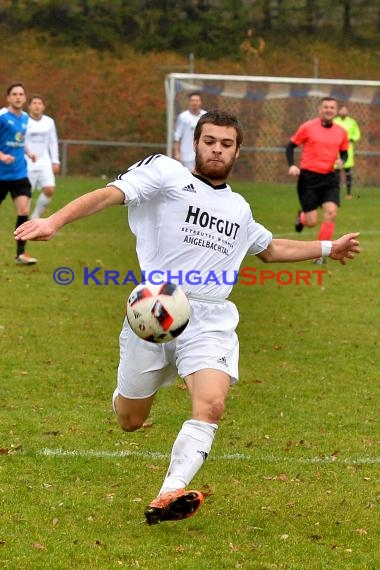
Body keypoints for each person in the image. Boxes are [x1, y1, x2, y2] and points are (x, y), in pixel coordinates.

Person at [14, 111, 360, 525]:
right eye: (209, 140)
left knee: (211, 405)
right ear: (195, 143)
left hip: (210, 317)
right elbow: (109, 194)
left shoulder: (238, 208)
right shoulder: (165, 173)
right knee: (130, 420)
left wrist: (327, 248)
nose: (217, 149)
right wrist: (55, 219)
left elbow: (269, 250)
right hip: (154, 308)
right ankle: (129, 396)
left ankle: (169, 492)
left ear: (237, 150)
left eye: (226, 143)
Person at [285, 97, 349, 264]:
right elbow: (291, 146)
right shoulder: (307, 127)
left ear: (336, 111)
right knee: (312, 222)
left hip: (330, 178)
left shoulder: (341, 131)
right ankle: (303, 217)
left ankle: (319, 255)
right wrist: (292, 165)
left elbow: (344, 152)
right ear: (320, 109)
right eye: (326, 107)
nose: (329, 110)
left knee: (331, 213)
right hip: (308, 178)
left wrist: (342, 160)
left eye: (332, 107)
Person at [0, 82, 37, 265]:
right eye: (14, 94)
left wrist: (28, 152)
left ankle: (21, 254)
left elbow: (21, 140)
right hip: (0, 174)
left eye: (21, 94)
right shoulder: (1, 116)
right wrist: (2, 155)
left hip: (19, 174)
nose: (18, 97)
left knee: (23, 210)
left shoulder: (25, 118)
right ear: (8, 98)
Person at [26, 94, 60, 218]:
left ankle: (35, 216)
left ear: (43, 107)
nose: (37, 106)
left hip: (44, 162)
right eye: (34, 103)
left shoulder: (49, 122)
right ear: (29, 106)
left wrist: (55, 161)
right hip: (27, 163)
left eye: (39, 103)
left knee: (49, 189)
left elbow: (53, 142)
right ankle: (23, 220)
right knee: (26, 194)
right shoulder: (24, 120)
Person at [173, 92, 207, 170]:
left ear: (200, 102)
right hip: (186, 154)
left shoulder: (205, 116)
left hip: (202, 153)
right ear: (189, 102)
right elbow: (177, 137)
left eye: (197, 100)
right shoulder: (183, 117)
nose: (195, 103)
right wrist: (177, 153)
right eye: (192, 100)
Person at [333, 105, 361, 199]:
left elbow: (357, 134)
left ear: (347, 112)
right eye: (342, 110)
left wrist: (352, 139)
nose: (343, 112)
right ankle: (335, 191)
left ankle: (348, 193)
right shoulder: (334, 121)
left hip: (348, 148)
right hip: (335, 148)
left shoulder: (352, 122)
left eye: (345, 110)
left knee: (348, 171)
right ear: (339, 111)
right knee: (336, 171)